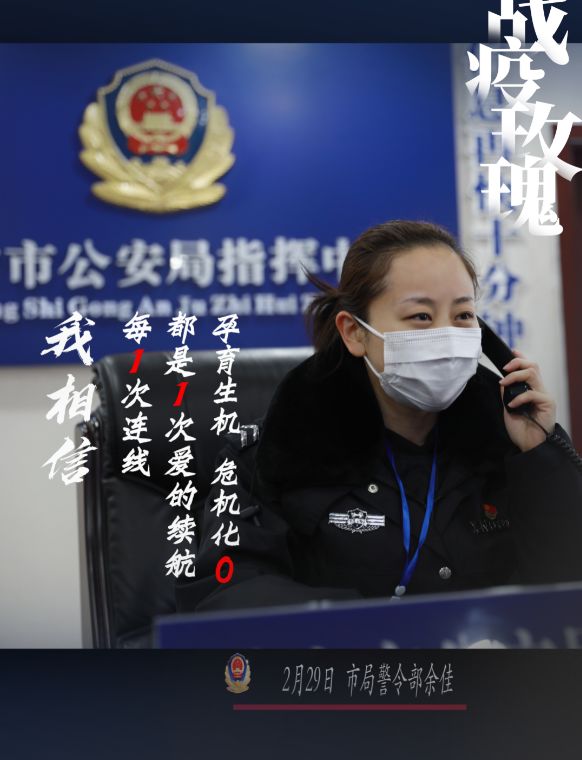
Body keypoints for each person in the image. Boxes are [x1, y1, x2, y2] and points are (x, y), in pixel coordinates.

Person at [175, 220, 582, 614]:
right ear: (355, 333)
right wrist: (371, 626)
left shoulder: (506, 439)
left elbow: (566, 587)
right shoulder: (274, 453)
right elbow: (226, 592)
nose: (446, 335)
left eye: (462, 315)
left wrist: (540, 456)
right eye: (421, 316)